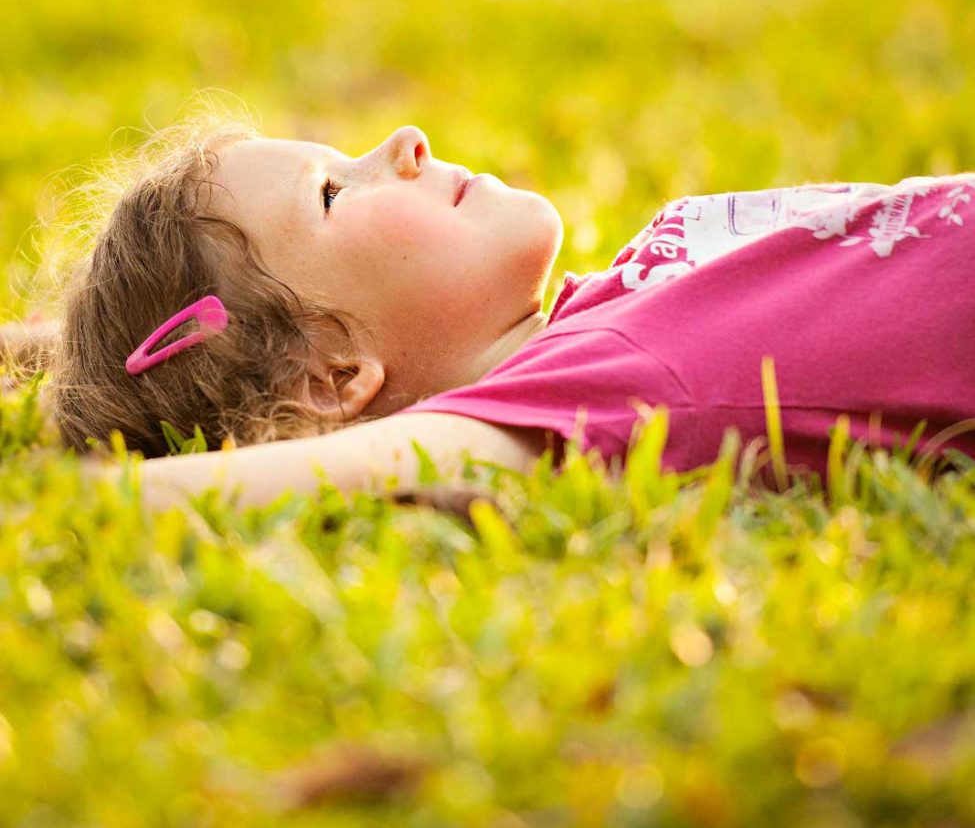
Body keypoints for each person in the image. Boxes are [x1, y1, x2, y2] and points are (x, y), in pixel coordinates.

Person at [7, 117, 975, 513]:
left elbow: (244, 363)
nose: (404, 140)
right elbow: (317, 467)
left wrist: (40, 353)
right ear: (334, 379)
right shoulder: (608, 385)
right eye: (335, 193)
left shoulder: (591, 319)